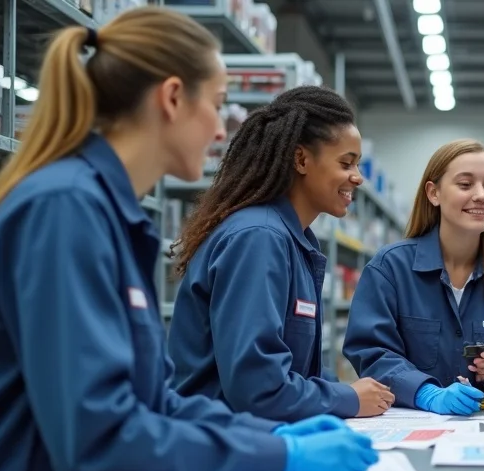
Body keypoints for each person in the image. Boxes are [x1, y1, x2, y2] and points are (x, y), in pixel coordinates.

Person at [0, 8, 377, 471]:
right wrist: (278, 454)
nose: (225, 129)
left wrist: (269, 439)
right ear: (173, 98)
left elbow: (155, 399)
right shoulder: (66, 209)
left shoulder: (108, 213)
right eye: (217, 103)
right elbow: (99, 435)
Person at [167, 85, 395, 422]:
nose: (357, 178)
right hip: (219, 442)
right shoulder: (259, 238)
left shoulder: (294, 240)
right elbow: (257, 388)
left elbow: (290, 371)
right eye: (347, 163)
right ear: (301, 159)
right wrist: (346, 397)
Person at [343, 139, 484, 415]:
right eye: (465, 184)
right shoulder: (390, 269)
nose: (481, 195)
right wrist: (425, 393)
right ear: (434, 193)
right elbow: (371, 353)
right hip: (413, 428)